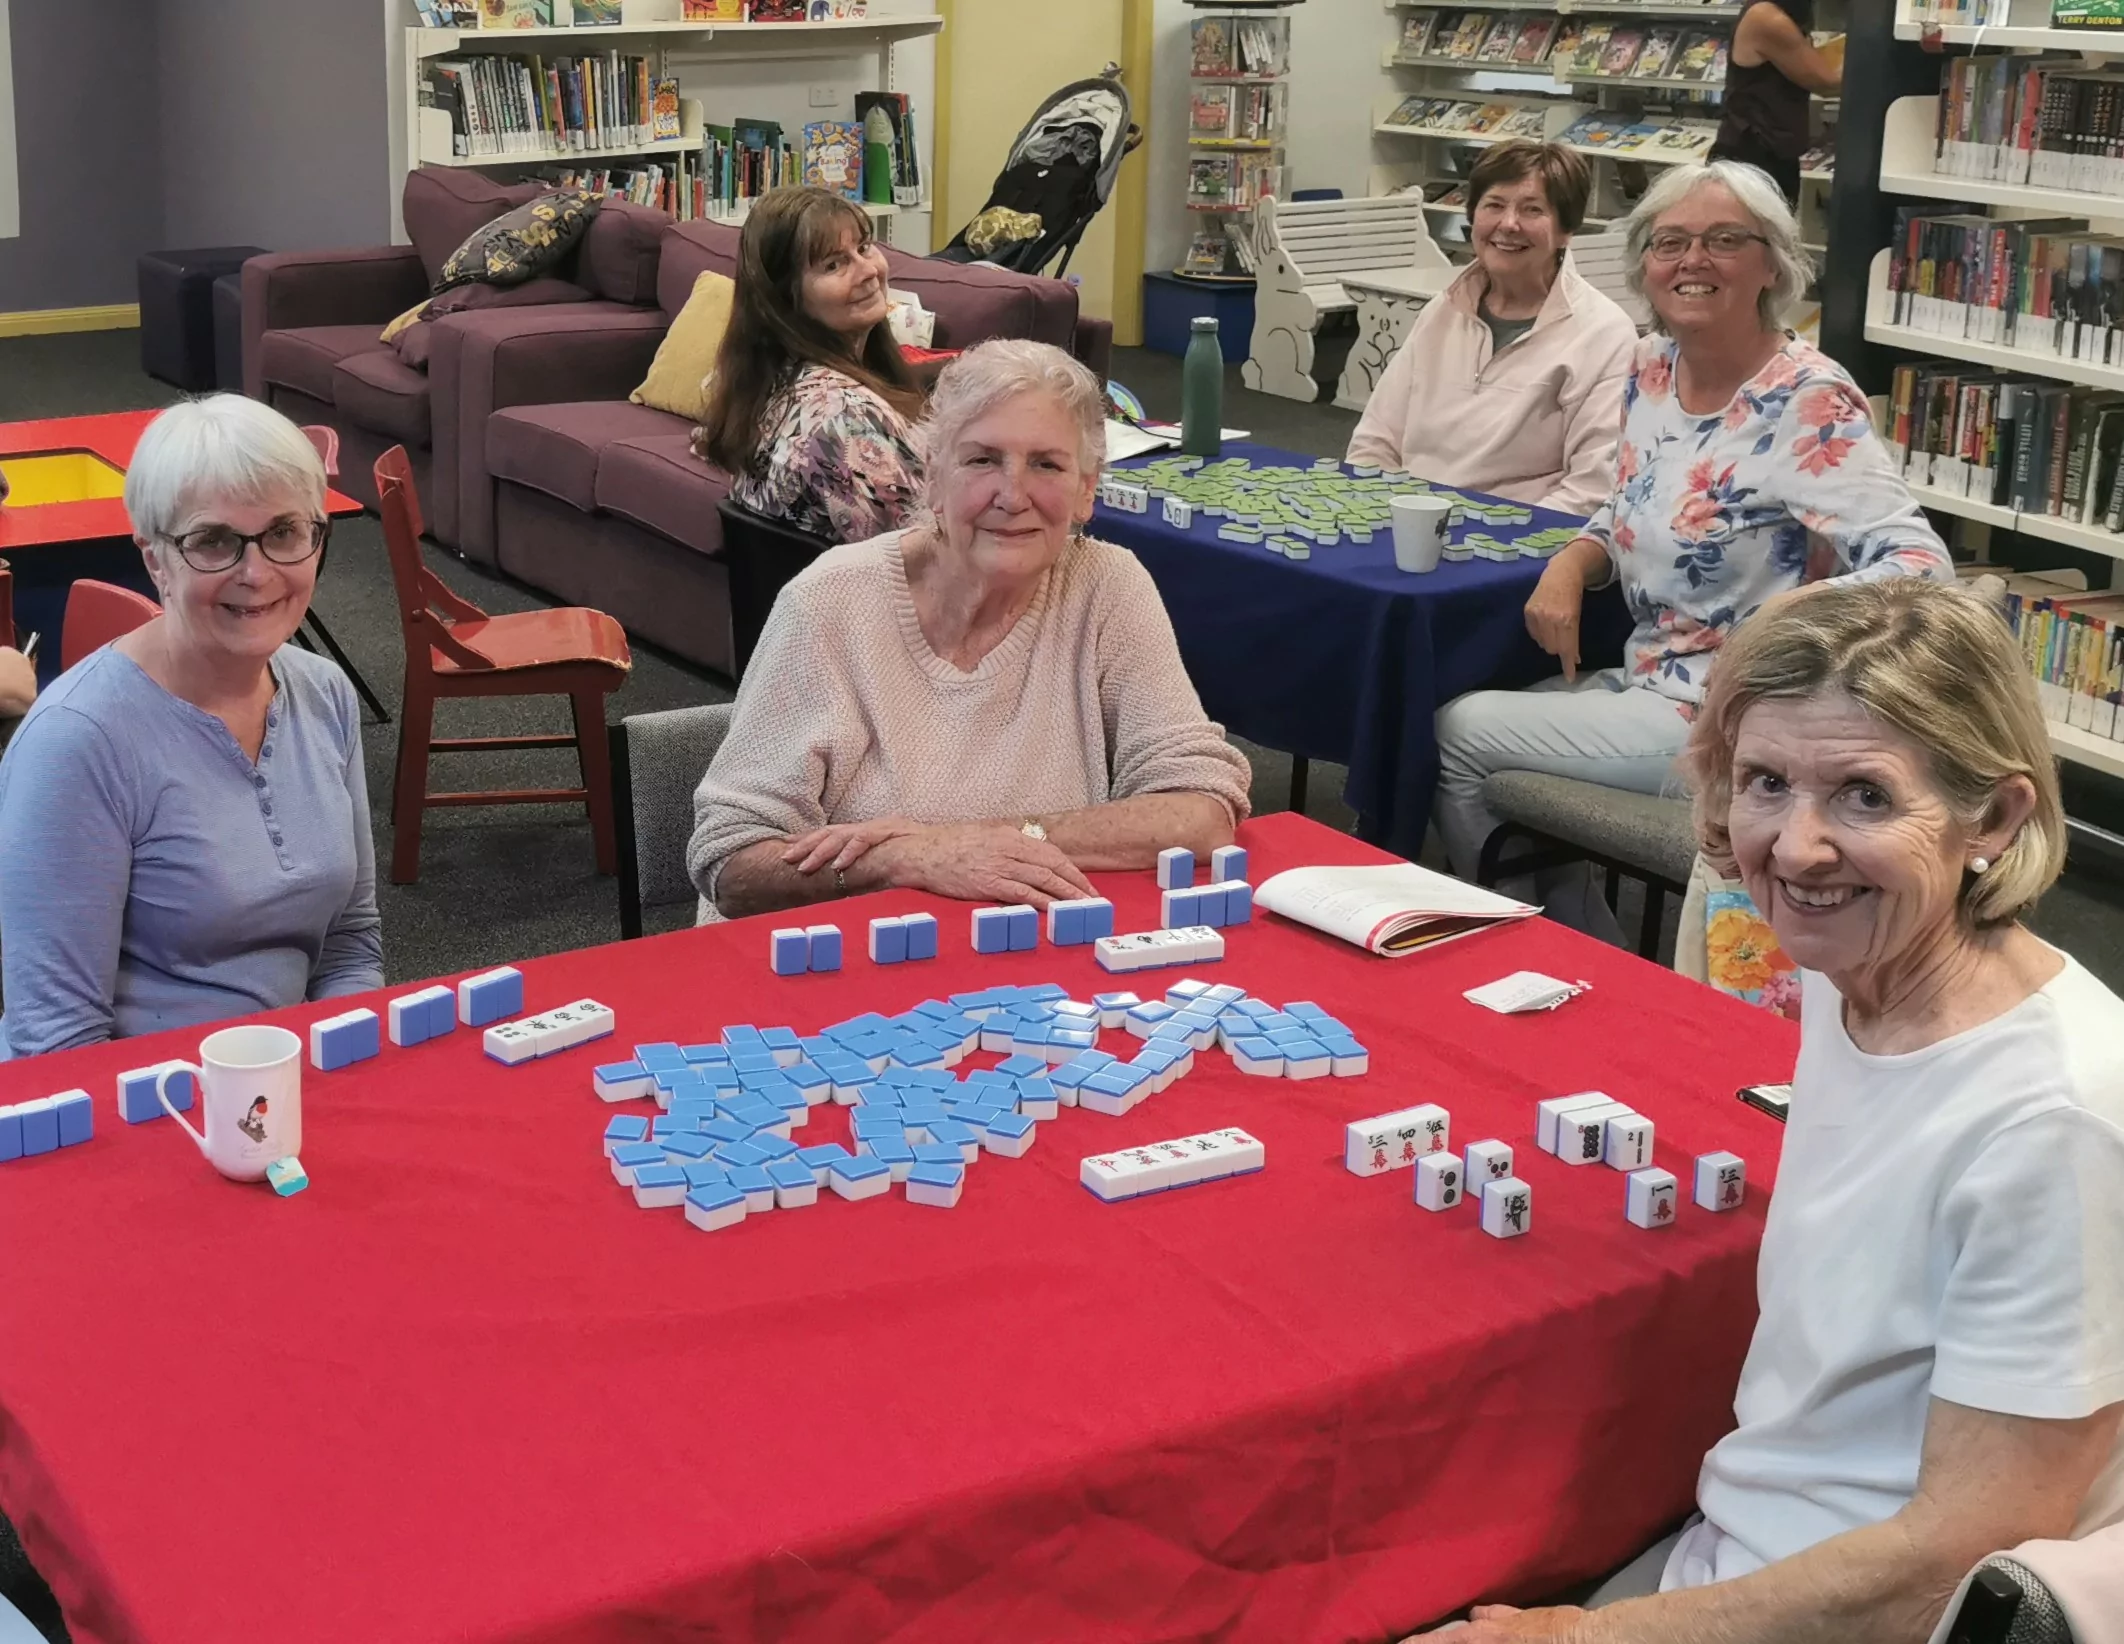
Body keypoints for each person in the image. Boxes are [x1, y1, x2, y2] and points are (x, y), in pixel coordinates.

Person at [1452, 577, 2124, 1642]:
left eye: (1864, 796)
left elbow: (1959, 1556)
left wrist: (1584, 1638)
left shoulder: (2059, 1117)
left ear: (1992, 817)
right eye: (1766, 783)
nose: (1797, 849)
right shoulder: (1848, 967)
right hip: (1745, 1536)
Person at [1432, 160, 1951, 940]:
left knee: (1461, 730)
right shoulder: (1652, 366)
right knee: (1456, 702)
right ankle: (1584, 945)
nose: (1692, 261)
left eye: (1724, 241)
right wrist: (1575, 559)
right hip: (1645, 677)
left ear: (1771, 262)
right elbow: (1629, 498)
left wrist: (1793, 618)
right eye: (1670, 241)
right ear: (1644, 262)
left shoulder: (1805, 400)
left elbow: (1919, 565)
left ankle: (1556, 947)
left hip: (1731, 714)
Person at [689, 338, 1251, 920]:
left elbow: (1201, 811)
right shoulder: (829, 602)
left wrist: (979, 841)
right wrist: (903, 860)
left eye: (1046, 464)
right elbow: (733, 866)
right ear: (932, 476)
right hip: (820, 959)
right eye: (982, 460)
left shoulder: (1107, 586)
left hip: (1011, 958)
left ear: (1087, 490)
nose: (1012, 496)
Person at [0, 396, 383, 1058]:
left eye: (286, 531)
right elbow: (59, 1039)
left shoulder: (325, 693)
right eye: (214, 541)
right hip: (145, 1108)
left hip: (291, 1086)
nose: (258, 573)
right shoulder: (77, 741)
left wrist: (343, 1078)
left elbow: (351, 940)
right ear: (154, 560)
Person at [1346, 141, 1637, 517]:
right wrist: (1387, 518)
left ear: (1566, 230)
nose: (1509, 224)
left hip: (1516, 549)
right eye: (1494, 205)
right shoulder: (1442, 311)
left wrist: (1489, 542)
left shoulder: (1605, 334)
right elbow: (1375, 441)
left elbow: (1591, 489)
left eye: (1533, 209)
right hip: (1406, 526)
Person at [693, 185, 926, 544]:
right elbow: (929, 556)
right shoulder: (846, 416)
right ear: (787, 299)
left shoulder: (766, 385)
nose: (867, 271)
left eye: (863, 248)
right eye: (834, 264)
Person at [1709, 1, 1843, 205]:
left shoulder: (1781, 14)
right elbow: (1826, 83)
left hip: (1772, 149)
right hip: (1754, 155)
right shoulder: (1767, 18)